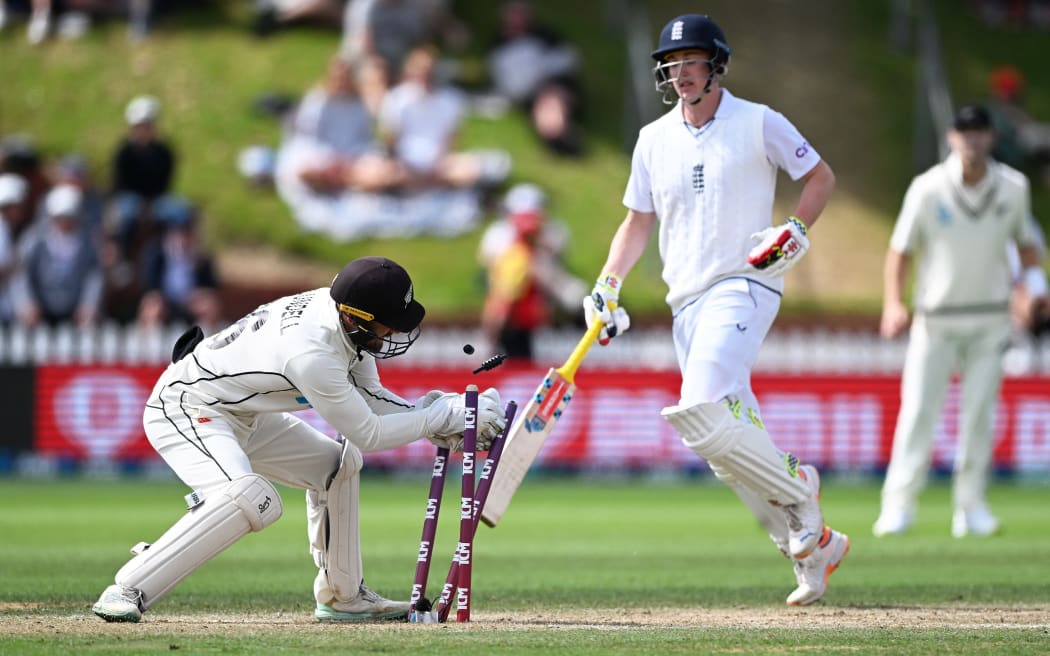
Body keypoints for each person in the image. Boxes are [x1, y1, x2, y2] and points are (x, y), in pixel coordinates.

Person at [580, 14, 844, 606]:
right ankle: (813, 547)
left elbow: (820, 176)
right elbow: (636, 221)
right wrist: (609, 281)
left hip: (745, 284)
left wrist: (795, 227)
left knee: (699, 406)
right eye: (671, 64)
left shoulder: (758, 122)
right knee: (724, 450)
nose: (679, 73)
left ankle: (800, 486)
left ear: (716, 63)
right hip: (685, 304)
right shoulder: (653, 139)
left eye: (691, 61)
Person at [91, 256, 507, 623]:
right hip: (188, 407)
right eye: (387, 325)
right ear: (355, 317)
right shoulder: (313, 353)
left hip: (245, 412)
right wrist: (435, 417)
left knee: (337, 466)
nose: (391, 334)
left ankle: (344, 597)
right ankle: (128, 587)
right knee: (253, 498)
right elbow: (368, 432)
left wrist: (443, 416)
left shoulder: (343, 320)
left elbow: (375, 401)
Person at [872, 104, 1048, 539]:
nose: (971, 140)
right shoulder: (927, 189)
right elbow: (900, 251)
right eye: (963, 132)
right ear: (951, 138)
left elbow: (1026, 245)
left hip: (990, 317)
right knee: (917, 413)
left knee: (979, 416)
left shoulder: (1013, 187)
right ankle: (899, 506)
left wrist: (1036, 288)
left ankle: (971, 507)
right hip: (936, 319)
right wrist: (894, 303)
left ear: (990, 138)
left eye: (979, 132)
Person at [478, 183, 585, 358]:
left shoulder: (552, 231)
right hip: (510, 297)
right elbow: (493, 266)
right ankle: (489, 346)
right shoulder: (498, 234)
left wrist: (536, 239)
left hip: (543, 296)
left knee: (565, 289)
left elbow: (557, 253)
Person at [11, 183, 103, 327]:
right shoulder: (35, 240)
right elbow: (21, 274)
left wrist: (89, 304)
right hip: (40, 311)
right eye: (60, 217)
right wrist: (26, 302)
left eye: (69, 217)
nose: (64, 222)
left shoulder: (87, 243)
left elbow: (94, 276)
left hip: (76, 313)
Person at [108, 95, 178, 267]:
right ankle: (124, 261)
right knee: (128, 215)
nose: (144, 130)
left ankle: (169, 259)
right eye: (140, 126)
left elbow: (165, 183)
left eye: (148, 125)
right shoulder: (124, 152)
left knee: (175, 214)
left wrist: (150, 201)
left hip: (156, 198)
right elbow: (120, 183)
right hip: (130, 197)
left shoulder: (164, 152)